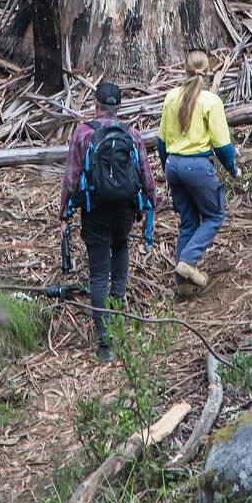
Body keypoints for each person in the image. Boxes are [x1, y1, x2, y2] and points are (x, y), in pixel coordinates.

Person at [61, 81, 155, 361]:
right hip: (125, 209)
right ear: (119, 107)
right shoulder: (132, 134)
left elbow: (71, 176)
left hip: (95, 209)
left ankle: (105, 344)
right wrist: (151, 204)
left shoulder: (82, 134)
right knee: (122, 247)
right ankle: (120, 316)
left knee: (99, 274)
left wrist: (64, 214)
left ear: (96, 104)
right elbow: (145, 172)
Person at [157, 49, 239, 288]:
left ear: (184, 69)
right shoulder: (210, 101)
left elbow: (161, 142)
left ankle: (182, 285)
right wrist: (232, 169)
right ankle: (187, 261)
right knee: (214, 215)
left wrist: (167, 168)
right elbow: (222, 145)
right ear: (208, 71)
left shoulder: (171, 97)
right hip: (197, 165)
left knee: (189, 220)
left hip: (173, 164)